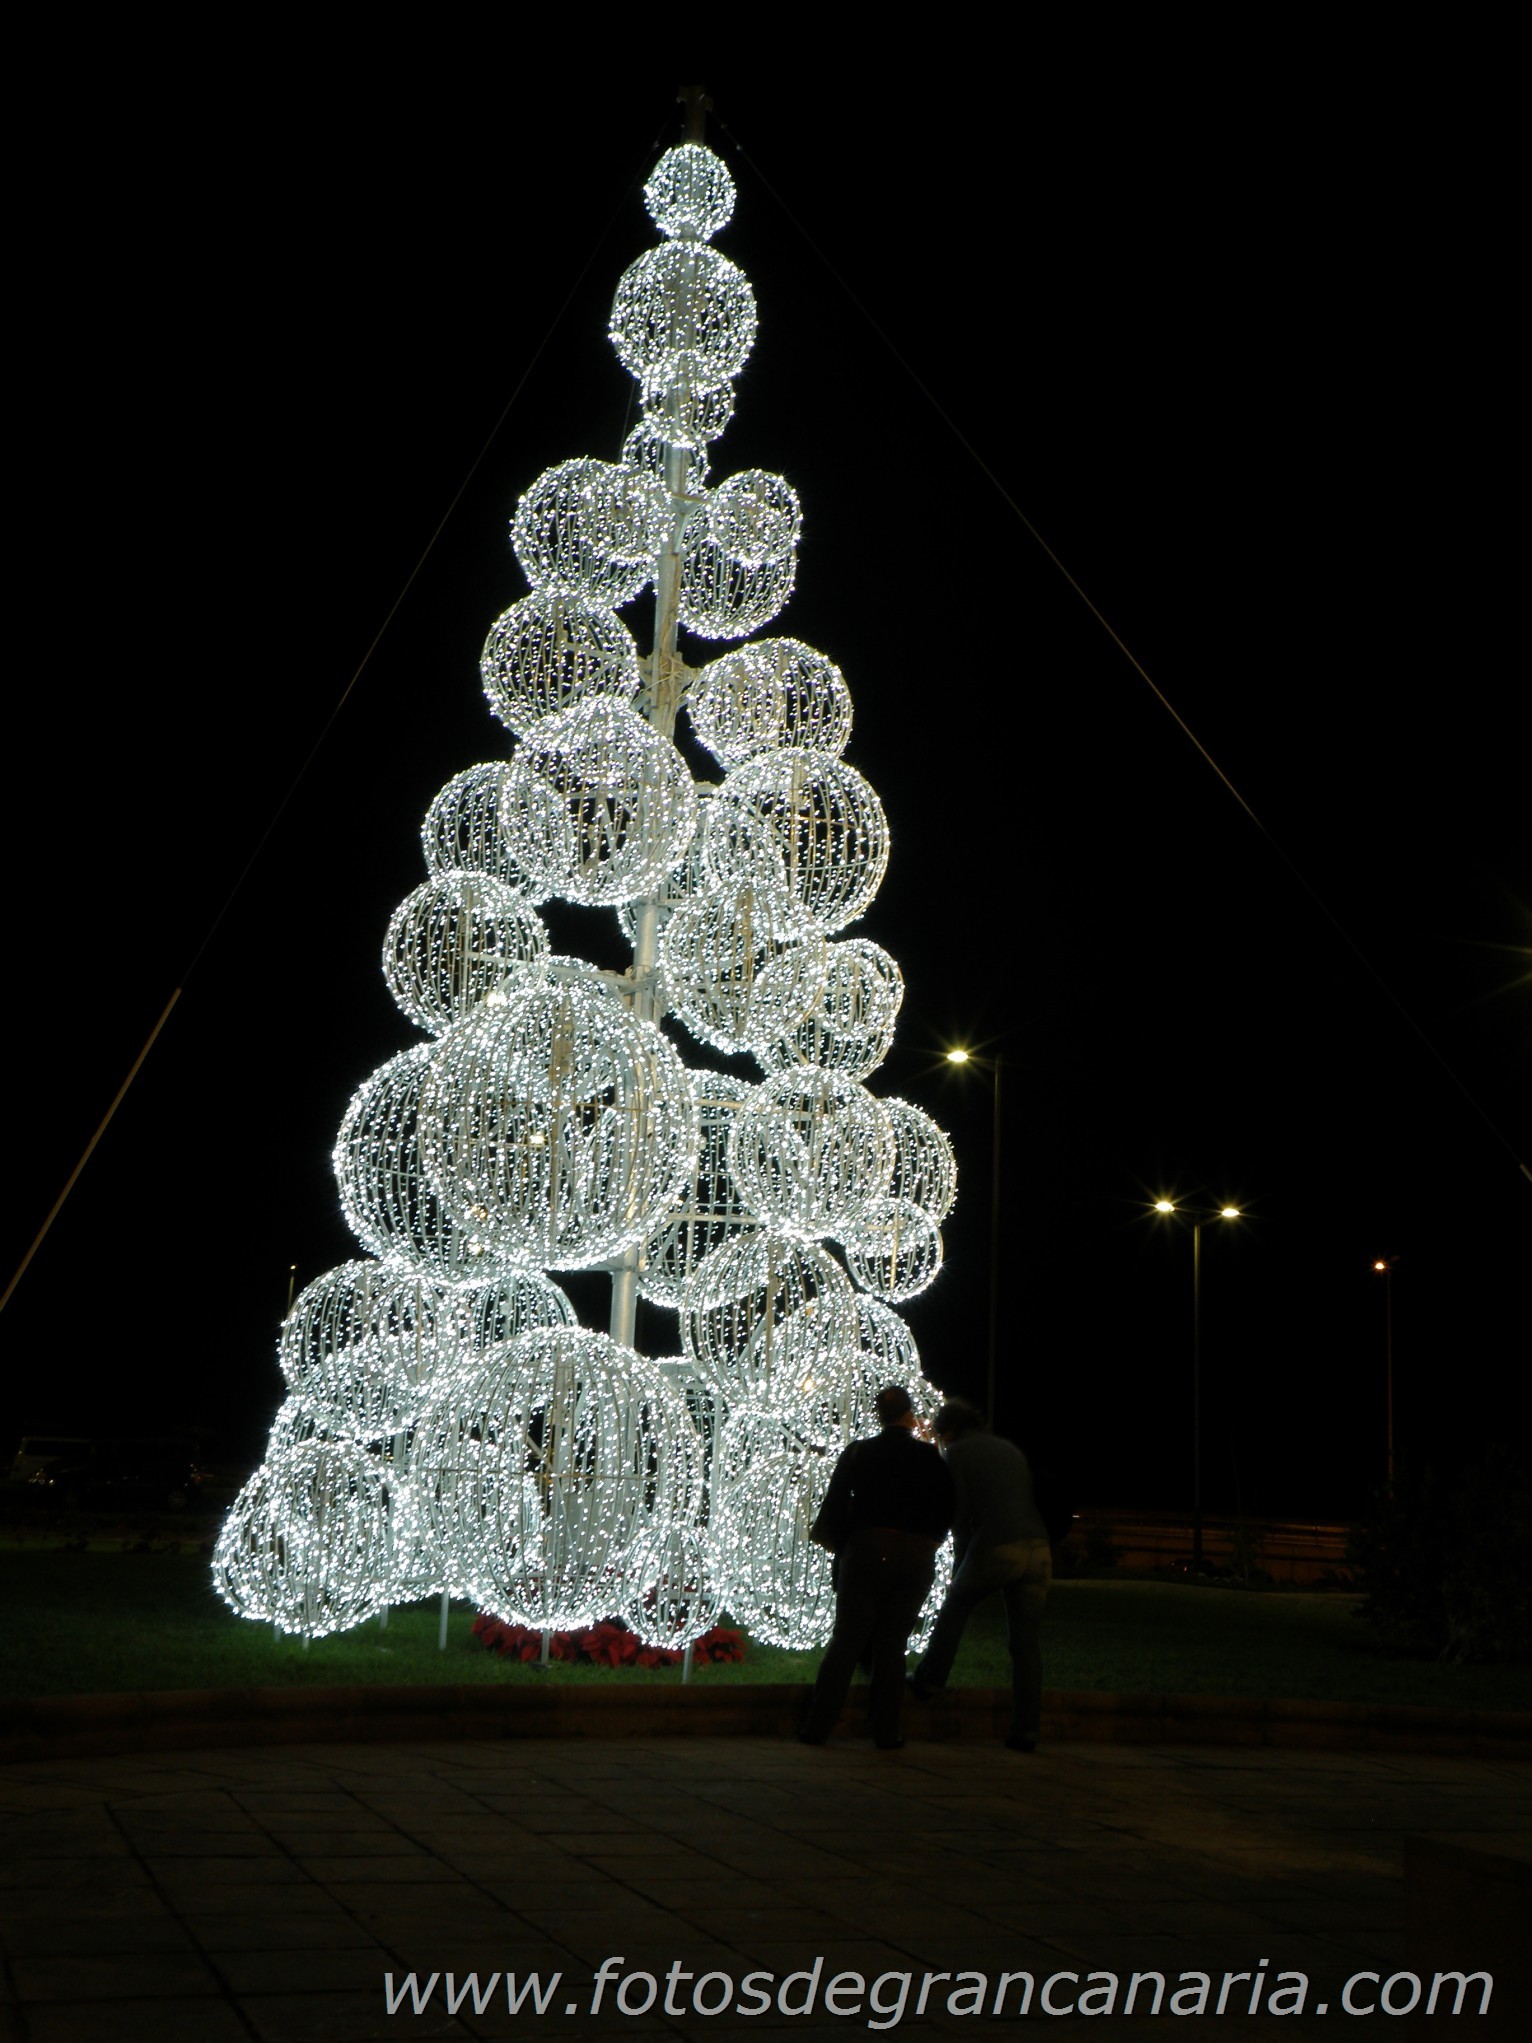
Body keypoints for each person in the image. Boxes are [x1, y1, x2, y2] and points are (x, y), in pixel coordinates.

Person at [798, 1384, 956, 1750]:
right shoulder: (929, 1457)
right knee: (892, 1644)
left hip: (867, 1548)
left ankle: (817, 1726)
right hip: (915, 1554)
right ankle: (886, 1731)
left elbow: (835, 1504)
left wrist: (845, 1546)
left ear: (878, 1416)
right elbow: (948, 1504)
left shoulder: (860, 1452)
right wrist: (931, 1539)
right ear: (909, 1416)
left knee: (847, 1639)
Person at [908, 1398, 1052, 1752]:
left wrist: (959, 1565)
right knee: (1025, 1644)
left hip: (997, 1547)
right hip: (1039, 1550)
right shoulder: (1009, 1449)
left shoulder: (956, 1454)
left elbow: (960, 1516)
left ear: (948, 1431)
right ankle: (1026, 1731)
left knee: (955, 1607)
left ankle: (929, 1680)